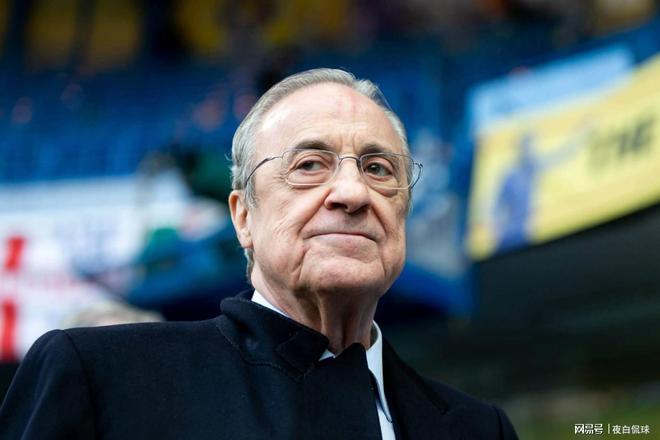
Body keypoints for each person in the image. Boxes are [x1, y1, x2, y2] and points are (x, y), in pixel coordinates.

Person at [0, 68, 518, 439]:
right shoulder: (103, 377)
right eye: (309, 165)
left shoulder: (478, 428)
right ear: (243, 216)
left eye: (379, 169)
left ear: (402, 212)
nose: (353, 192)